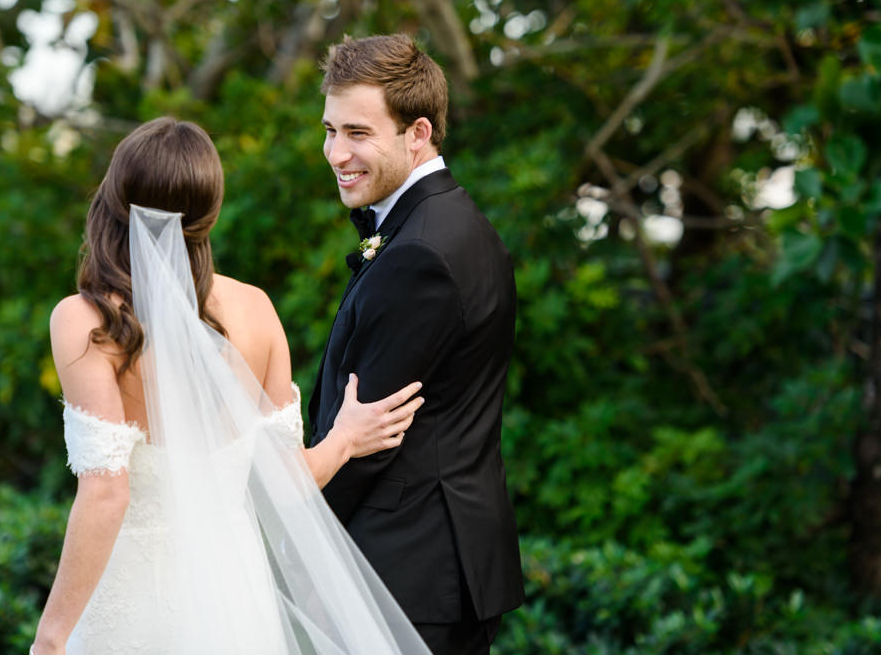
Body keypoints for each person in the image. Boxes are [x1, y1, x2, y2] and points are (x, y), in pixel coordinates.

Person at [30, 118, 432, 655]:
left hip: (136, 605)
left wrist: (50, 638)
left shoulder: (85, 321)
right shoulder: (256, 309)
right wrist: (344, 440)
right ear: (210, 215)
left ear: (115, 199)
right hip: (237, 605)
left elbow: (106, 492)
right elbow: (286, 484)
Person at [308, 34, 525, 655]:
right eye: (330, 130)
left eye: (357, 133)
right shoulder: (454, 222)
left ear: (418, 133)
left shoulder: (420, 254)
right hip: (437, 567)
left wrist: (302, 542)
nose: (336, 153)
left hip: (403, 576)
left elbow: (369, 439)